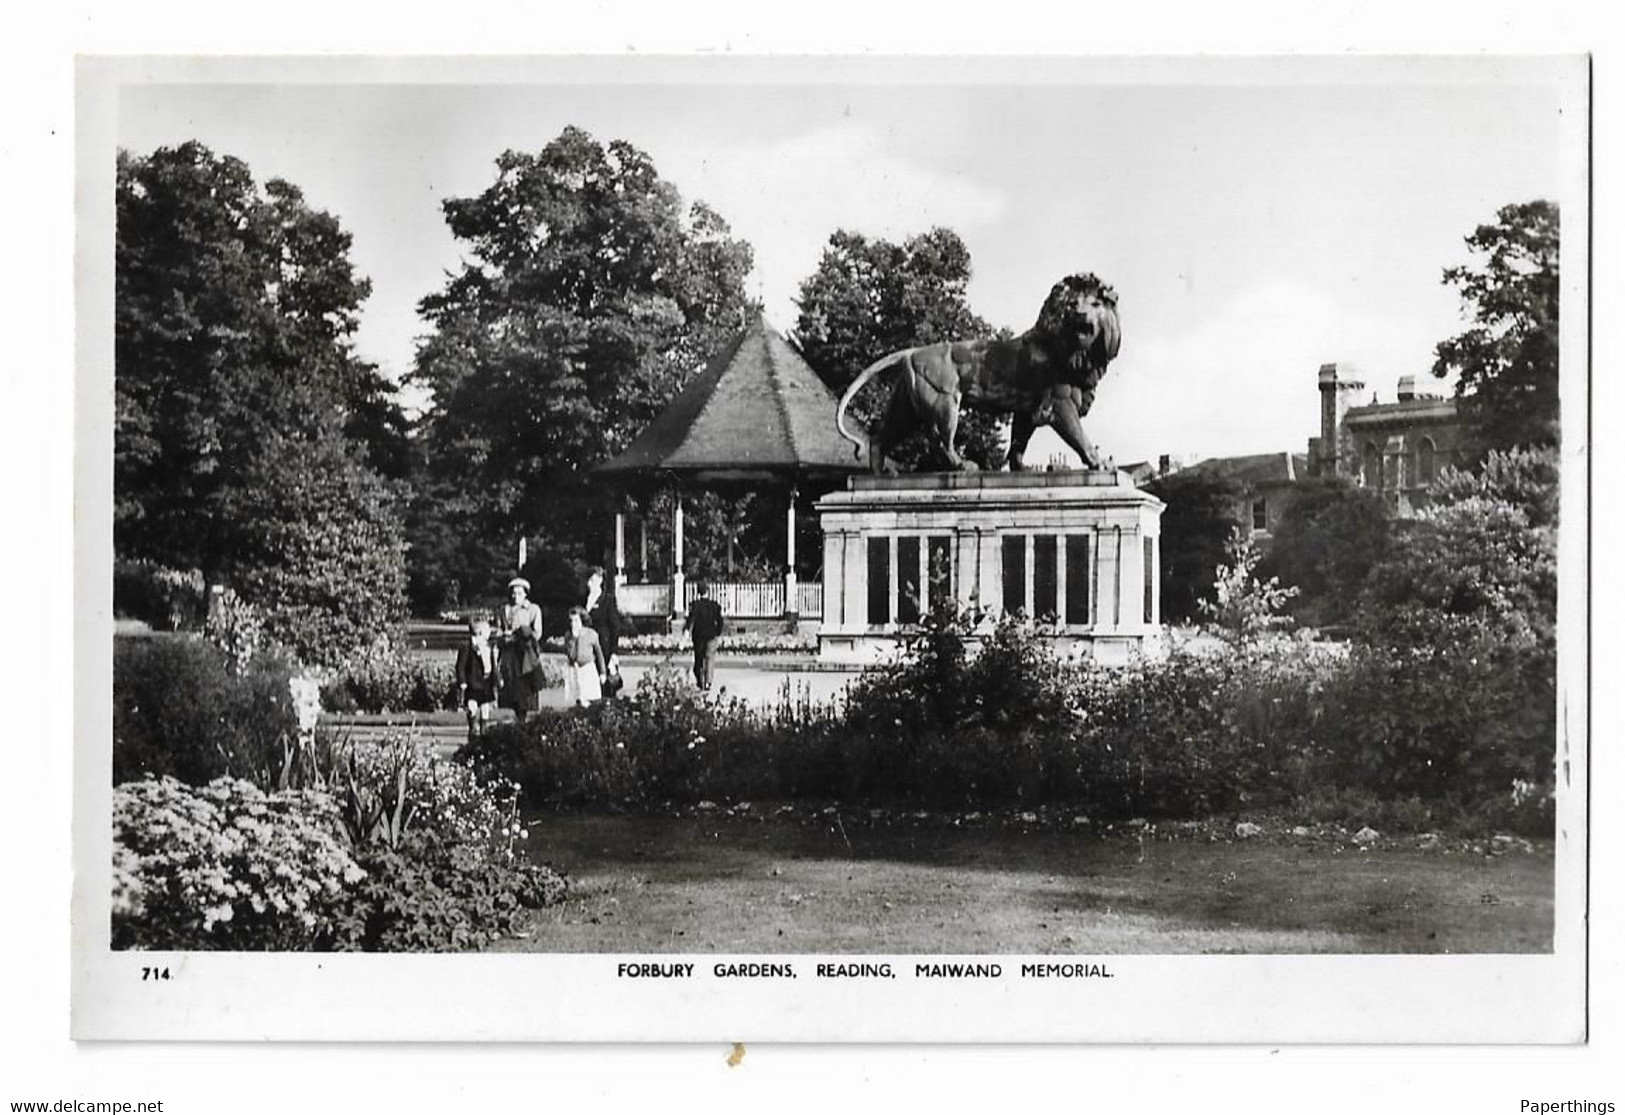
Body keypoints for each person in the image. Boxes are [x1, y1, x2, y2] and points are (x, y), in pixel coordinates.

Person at [497, 576, 545, 722]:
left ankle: (523, 718)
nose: (515, 596)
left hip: (526, 654)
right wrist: (503, 637)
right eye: (513, 593)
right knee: (511, 686)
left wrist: (522, 633)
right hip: (510, 653)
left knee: (525, 688)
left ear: (525, 594)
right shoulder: (504, 610)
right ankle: (517, 717)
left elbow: (537, 633)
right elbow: (499, 630)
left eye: (519, 593)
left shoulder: (532, 609)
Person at [453, 618, 499, 745]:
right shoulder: (467, 647)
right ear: (479, 633)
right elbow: (460, 666)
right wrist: (462, 681)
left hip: (486, 681)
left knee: (485, 706)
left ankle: (484, 727)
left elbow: (493, 666)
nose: (489, 633)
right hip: (472, 681)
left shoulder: (487, 647)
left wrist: (496, 680)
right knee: (472, 704)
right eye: (487, 631)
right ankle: (473, 726)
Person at [586, 567, 625, 699]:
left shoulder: (607, 600)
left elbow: (615, 626)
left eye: (594, 580)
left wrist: (614, 651)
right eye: (590, 580)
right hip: (587, 648)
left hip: (604, 647)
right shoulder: (585, 600)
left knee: (606, 684)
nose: (591, 584)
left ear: (600, 581)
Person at [562, 606, 606, 708]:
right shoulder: (568, 635)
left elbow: (599, 654)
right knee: (577, 700)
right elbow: (570, 654)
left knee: (590, 699)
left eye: (576, 620)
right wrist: (573, 639)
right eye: (571, 621)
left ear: (582, 620)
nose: (574, 624)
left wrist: (603, 672)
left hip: (587, 669)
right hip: (574, 670)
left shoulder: (591, 634)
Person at [684, 581, 725, 692]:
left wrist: (687, 630)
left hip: (699, 637)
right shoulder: (714, 606)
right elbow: (720, 620)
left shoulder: (695, 605)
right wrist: (718, 632)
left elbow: (690, 619)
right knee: (710, 658)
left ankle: (700, 680)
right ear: (708, 591)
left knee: (699, 659)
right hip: (711, 635)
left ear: (698, 592)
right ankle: (708, 681)